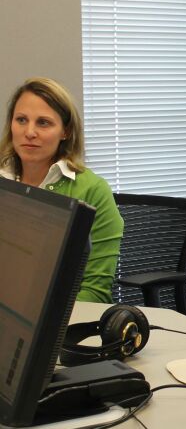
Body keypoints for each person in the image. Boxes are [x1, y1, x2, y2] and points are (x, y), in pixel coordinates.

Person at [1, 77, 123, 303]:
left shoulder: (93, 191)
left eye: (43, 123)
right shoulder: (4, 182)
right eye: (21, 120)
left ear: (65, 131)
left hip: (59, 324)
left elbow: (96, 292)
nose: (29, 132)